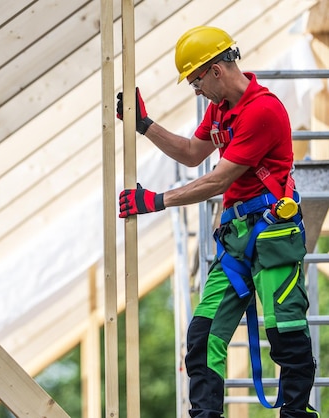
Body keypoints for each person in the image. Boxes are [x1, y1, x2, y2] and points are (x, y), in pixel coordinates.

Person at [116, 26, 319, 418]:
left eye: (195, 81)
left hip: (272, 235)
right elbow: (193, 153)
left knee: (285, 333)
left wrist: (156, 201)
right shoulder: (221, 109)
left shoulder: (262, 110)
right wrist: (146, 125)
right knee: (204, 334)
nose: (195, 90)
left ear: (216, 71)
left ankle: (296, 414)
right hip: (237, 240)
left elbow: (217, 179)